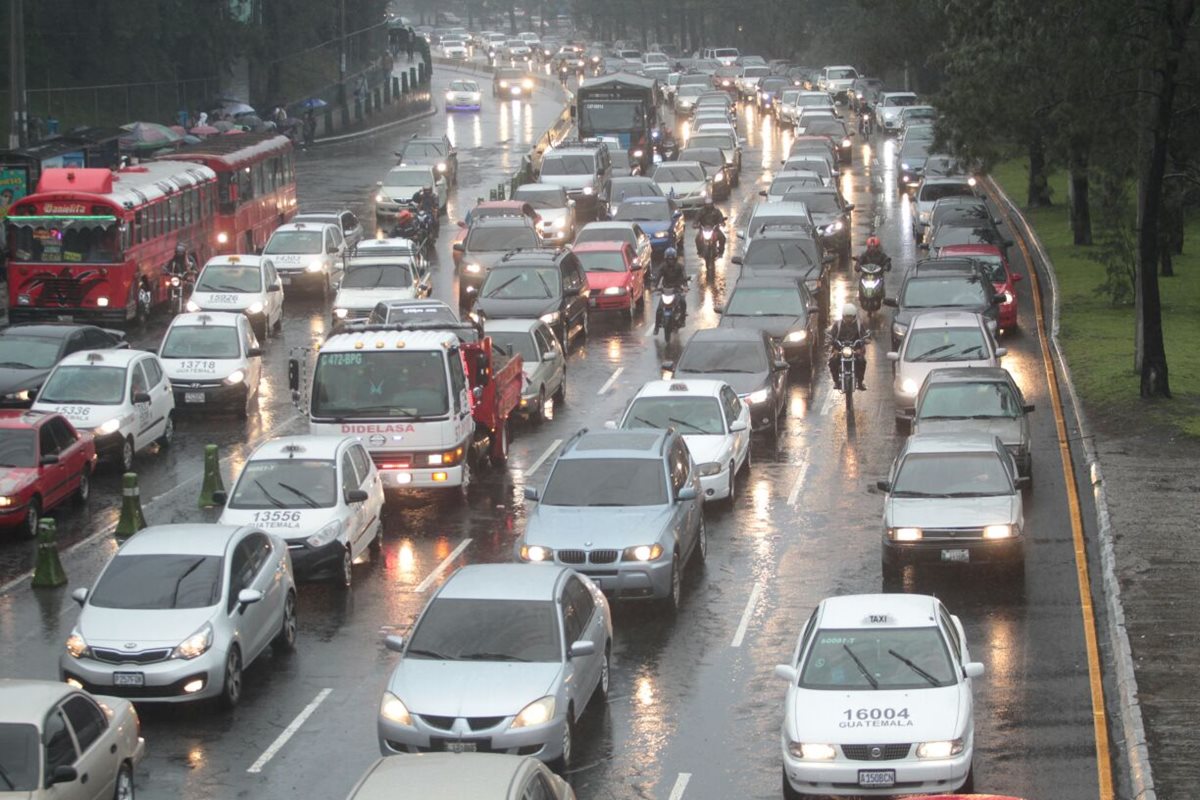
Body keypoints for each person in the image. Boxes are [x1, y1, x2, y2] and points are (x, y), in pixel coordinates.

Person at [828, 303, 869, 390]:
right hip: (840, 350)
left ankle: (860, 382)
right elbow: (831, 336)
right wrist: (833, 344)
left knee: (862, 361)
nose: (848, 319)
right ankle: (836, 381)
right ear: (843, 316)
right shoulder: (838, 325)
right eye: (847, 316)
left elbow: (865, 335)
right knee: (832, 361)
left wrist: (864, 341)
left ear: (854, 316)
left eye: (850, 316)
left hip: (855, 350)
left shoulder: (858, 325)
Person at [654, 246, 688, 332]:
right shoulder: (663, 267)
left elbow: (684, 276)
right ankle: (656, 327)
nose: (670, 261)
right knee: (659, 309)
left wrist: (685, 285)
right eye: (669, 259)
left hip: (677, 288)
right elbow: (658, 276)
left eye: (672, 259)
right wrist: (655, 286)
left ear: (675, 258)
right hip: (666, 289)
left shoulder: (680, 267)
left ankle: (683, 319)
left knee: (683, 302)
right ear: (666, 259)